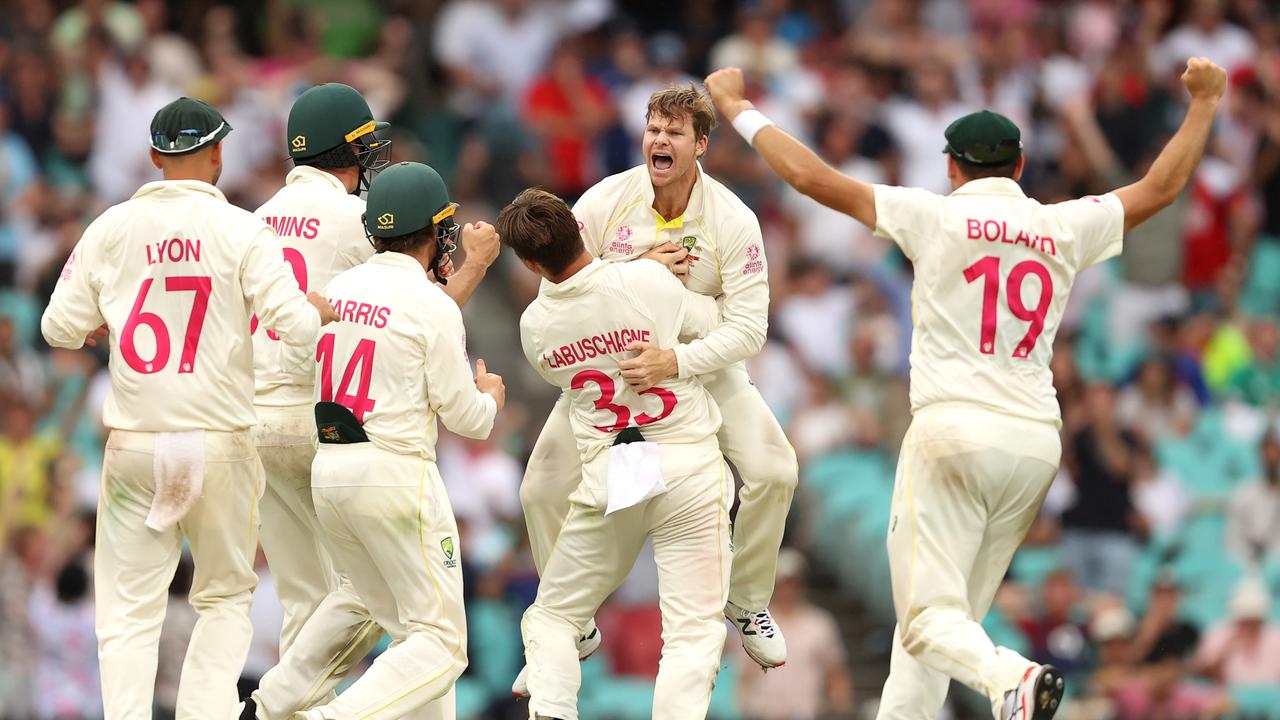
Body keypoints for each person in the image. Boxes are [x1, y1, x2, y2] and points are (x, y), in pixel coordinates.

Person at [704, 55, 1227, 720]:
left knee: (927, 621)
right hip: (1034, 445)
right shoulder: (1060, 224)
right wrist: (1205, 104)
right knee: (934, 637)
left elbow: (811, 176)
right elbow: (1159, 188)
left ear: (952, 166)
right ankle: (981, 685)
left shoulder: (934, 216)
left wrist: (737, 108)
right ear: (1018, 167)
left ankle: (1010, 676)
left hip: (953, 433)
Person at [40, 97, 336, 720]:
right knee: (225, 596)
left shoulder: (111, 226)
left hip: (136, 442)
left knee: (126, 608)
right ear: (219, 152)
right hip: (219, 440)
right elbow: (297, 327)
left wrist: (99, 324)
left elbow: (57, 328)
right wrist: (321, 310)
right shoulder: (241, 228)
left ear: (154, 158)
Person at [513, 84, 797, 696]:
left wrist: (679, 360)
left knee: (776, 471)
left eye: (673, 132)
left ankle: (747, 601)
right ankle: (574, 623)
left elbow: (749, 329)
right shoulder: (604, 201)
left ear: (701, 144)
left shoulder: (733, 220)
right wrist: (638, 268)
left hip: (696, 361)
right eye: (652, 128)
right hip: (612, 362)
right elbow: (560, 289)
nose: (658, 141)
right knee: (539, 488)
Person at [245, 83, 500, 720]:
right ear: (348, 148)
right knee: (422, 628)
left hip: (254, 421)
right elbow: (405, 321)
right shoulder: (352, 225)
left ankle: (271, 706)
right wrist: (473, 268)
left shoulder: (256, 219)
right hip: (334, 424)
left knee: (334, 600)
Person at [500, 187, 730, 720]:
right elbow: (708, 326)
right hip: (688, 457)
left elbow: (579, 317)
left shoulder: (534, 327)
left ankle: (554, 710)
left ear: (532, 263)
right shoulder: (645, 279)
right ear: (581, 231)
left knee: (550, 619)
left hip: (617, 470)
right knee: (693, 634)